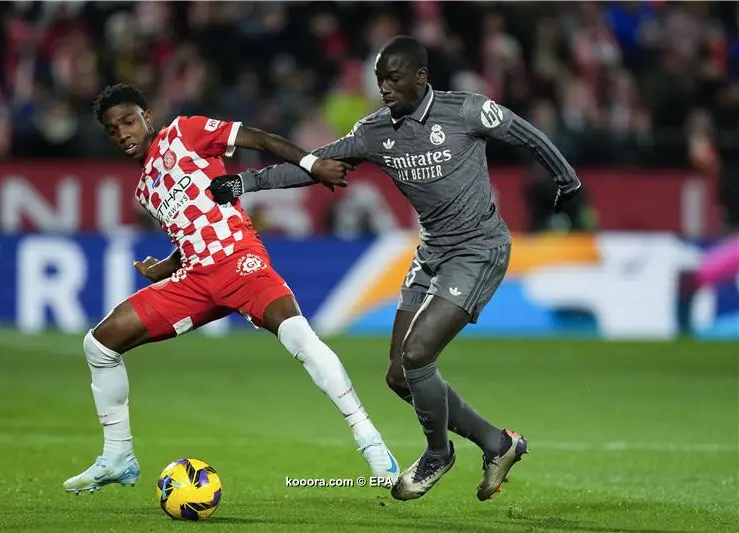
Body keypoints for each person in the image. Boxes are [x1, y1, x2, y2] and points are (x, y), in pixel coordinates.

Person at [208, 36, 583, 502]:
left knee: (418, 353)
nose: (384, 87)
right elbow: (316, 165)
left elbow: (524, 133)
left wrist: (567, 180)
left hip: (478, 249)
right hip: (431, 253)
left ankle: (437, 454)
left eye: (393, 78)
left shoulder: (465, 111)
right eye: (379, 80)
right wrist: (247, 181)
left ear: (421, 76)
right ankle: (497, 443)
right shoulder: (374, 132)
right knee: (400, 376)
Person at [62, 83, 399, 494]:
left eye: (129, 122)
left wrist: (313, 165)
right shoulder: (144, 190)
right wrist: (166, 266)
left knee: (298, 336)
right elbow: (192, 232)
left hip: (240, 262)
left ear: (147, 116)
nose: (123, 134)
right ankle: (118, 456)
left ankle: (370, 440)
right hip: (196, 281)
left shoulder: (186, 132)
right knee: (99, 344)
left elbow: (260, 138)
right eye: (113, 130)